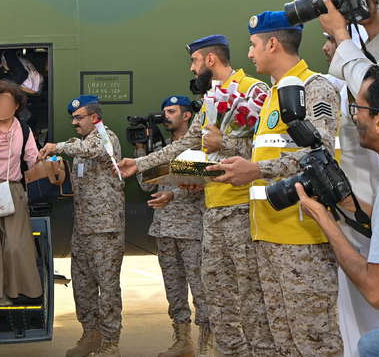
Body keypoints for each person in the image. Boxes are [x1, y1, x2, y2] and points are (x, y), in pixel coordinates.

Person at [118, 35, 276, 357]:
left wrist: (225, 146)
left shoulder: (254, 92)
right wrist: (140, 162)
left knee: (250, 298)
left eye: (194, 61)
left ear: (210, 60)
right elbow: (185, 145)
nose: (192, 68)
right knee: (217, 299)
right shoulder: (209, 101)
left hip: (243, 209)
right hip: (213, 210)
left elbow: (265, 148)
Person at [210, 11, 343, 356]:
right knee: (282, 343)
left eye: (253, 46)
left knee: (314, 342)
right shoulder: (274, 94)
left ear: (272, 43)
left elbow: (320, 153)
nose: (250, 54)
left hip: (302, 238)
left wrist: (255, 170)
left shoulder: (315, 88)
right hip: (268, 235)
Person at [292, 63, 379, 357]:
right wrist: (346, 201)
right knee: (372, 343)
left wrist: (326, 222)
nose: (354, 116)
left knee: (371, 346)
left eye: (359, 108)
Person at [39, 95, 125, 357]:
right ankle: (91, 335)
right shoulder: (82, 144)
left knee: (108, 289)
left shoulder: (105, 139)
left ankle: (111, 344)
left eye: (79, 117)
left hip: (106, 229)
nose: (75, 122)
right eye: (73, 118)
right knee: (83, 286)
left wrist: (59, 146)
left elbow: (93, 150)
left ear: (95, 118)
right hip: (84, 228)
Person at [323, 33, 379, 357]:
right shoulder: (334, 89)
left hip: (372, 220)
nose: (326, 48)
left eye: (331, 40)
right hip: (351, 222)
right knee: (355, 332)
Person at [134, 95, 213, 357]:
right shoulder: (162, 147)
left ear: (187, 115)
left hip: (191, 228)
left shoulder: (199, 147)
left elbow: (201, 184)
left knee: (200, 286)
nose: (166, 116)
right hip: (164, 227)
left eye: (172, 111)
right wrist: (140, 150)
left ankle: (207, 341)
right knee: (173, 286)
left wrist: (173, 195)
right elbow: (146, 185)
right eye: (164, 111)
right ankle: (183, 340)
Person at [0, 80, 42, 306]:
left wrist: (46, 163)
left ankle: (18, 290)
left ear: (16, 106)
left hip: (12, 188)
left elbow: (32, 159)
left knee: (15, 243)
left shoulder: (23, 129)